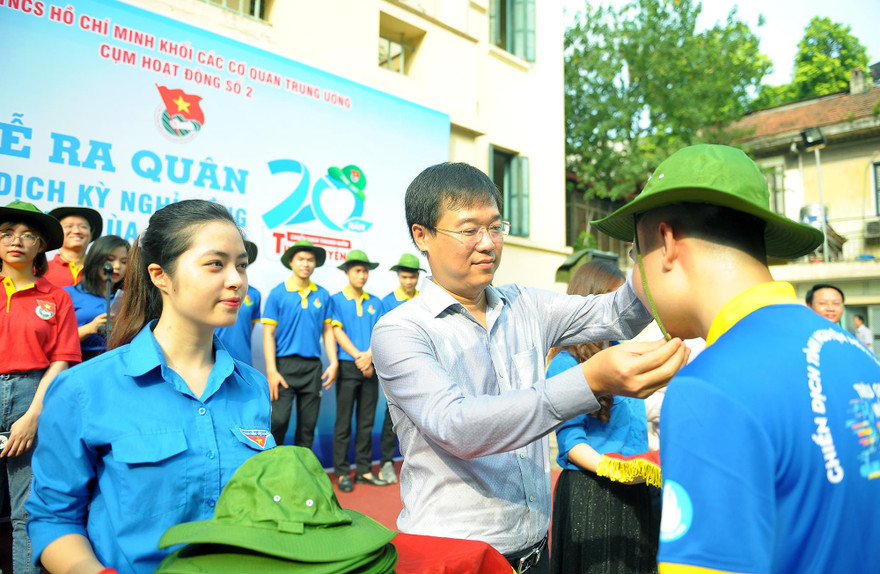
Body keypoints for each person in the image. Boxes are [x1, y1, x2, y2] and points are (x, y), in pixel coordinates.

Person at [371, 162, 687, 572]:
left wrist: (647, 246)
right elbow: (458, 426)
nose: (488, 243)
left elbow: (618, 314)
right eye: (469, 230)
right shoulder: (400, 331)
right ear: (422, 236)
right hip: (454, 557)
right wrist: (588, 381)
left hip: (536, 550)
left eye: (496, 227)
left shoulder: (526, 306)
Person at [592, 144, 880, 573]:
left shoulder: (709, 387)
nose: (637, 276)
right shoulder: (853, 353)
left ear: (667, 242)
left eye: (637, 254)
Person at [27, 200, 274, 574]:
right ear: (160, 275)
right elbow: (54, 517)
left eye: (242, 264)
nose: (237, 279)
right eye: (215, 264)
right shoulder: (84, 388)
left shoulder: (252, 386)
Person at [548, 260, 660, 574]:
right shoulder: (566, 363)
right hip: (594, 492)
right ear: (589, 302)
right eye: (613, 300)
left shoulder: (622, 350)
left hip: (635, 485)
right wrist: (612, 467)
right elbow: (569, 441)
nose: (623, 309)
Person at [0, 200, 81, 574]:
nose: (16, 241)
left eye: (28, 235)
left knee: (26, 511)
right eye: (7, 233)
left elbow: (62, 360)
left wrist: (34, 415)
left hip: (32, 397)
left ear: (41, 246)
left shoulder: (56, 296)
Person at [262, 240, 337, 448]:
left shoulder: (322, 294)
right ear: (292, 262)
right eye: (301, 259)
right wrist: (272, 371)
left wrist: (333, 362)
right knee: (278, 421)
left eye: (310, 260)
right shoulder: (278, 293)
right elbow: (268, 334)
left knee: (307, 426)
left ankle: (300, 474)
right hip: (284, 366)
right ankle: (272, 473)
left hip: (312, 368)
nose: (306, 264)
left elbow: (327, 330)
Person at [330, 250, 388, 492]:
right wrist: (359, 356)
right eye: (357, 271)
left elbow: (381, 334)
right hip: (348, 365)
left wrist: (369, 357)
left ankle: (363, 470)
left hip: (370, 366)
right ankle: (342, 472)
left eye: (365, 271)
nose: (362, 275)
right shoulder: (335, 300)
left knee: (366, 422)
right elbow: (336, 331)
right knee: (343, 422)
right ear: (347, 272)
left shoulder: (376, 302)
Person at [377, 253, 424, 484]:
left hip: (422, 368)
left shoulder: (424, 300)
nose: (409, 281)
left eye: (412, 277)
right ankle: (386, 462)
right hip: (395, 368)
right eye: (405, 277)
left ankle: (421, 463)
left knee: (422, 418)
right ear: (398, 276)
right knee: (391, 417)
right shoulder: (386, 301)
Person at [64, 235, 130, 361]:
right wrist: (90, 328)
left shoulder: (128, 299)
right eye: (110, 259)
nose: (116, 266)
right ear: (95, 259)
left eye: (124, 262)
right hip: (77, 362)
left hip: (116, 361)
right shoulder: (68, 294)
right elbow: (54, 341)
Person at [216, 241, 262, 365]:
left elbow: (249, 327)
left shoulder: (254, 294)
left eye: (241, 264)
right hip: (213, 362)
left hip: (243, 362)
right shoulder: (211, 292)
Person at [43, 206, 103, 287]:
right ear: (58, 233)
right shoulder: (42, 270)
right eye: (69, 226)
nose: (76, 231)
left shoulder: (101, 271)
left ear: (91, 233)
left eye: (83, 226)